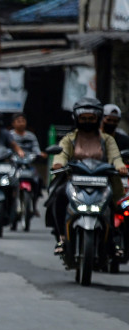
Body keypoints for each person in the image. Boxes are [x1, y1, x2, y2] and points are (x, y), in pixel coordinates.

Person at [48, 96, 127, 254]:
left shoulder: (107, 140)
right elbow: (62, 154)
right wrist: (58, 163)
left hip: (102, 181)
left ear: (98, 119)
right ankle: (61, 237)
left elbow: (115, 157)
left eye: (91, 118)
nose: (87, 121)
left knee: (115, 204)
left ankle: (114, 239)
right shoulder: (70, 139)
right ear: (77, 119)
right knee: (58, 195)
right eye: (83, 118)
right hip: (75, 180)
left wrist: (120, 167)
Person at [10, 112, 44, 200]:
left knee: (38, 179)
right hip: (14, 165)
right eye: (18, 121)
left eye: (23, 121)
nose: (21, 123)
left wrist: (40, 153)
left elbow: (36, 148)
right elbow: (7, 149)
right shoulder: (10, 135)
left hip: (28, 164)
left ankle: (35, 203)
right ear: (13, 123)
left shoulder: (31, 136)